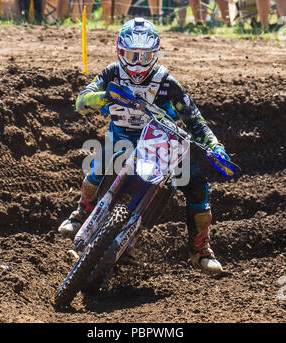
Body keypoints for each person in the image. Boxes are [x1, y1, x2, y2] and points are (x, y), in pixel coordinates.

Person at [58, 18, 230, 275]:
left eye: (145, 56)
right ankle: (82, 211)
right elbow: (81, 102)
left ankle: (201, 249)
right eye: (132, 55)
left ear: (156, 54)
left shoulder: (167, 82)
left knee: (197, 186)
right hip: (122, 139)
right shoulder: (111, 74)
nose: (138, 63)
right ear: (120, 52)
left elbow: (194, 119)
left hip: (161, 145)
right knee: (97, 167)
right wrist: (106, 95)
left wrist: (215, 146)